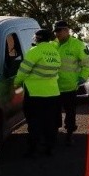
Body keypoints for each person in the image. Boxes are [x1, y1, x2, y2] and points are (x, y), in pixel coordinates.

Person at [13, 28, 61, 157]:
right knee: (50, 122)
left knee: (34, 122)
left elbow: (23, 70)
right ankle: (49, 148)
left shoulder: (35, 51)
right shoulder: (55, 52)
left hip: (35, 93)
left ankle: (33, 149)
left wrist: (16, 83)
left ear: (38, 38)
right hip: (53, 92)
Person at [52, 20, 89, 146]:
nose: (57, 34)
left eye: (59, 31)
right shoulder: (52, 45)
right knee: (53, 113)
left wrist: (82, 77)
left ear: (67, 30)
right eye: (55, 31)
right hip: (53, 87)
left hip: (69, 86)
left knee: (70, 113)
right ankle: (54, 135)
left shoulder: (78, 45)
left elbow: (87, 64)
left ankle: (69, 134)